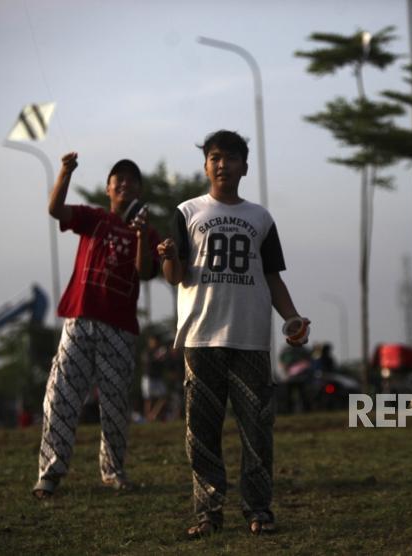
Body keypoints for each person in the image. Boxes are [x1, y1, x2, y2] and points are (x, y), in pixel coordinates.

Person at [158, 130, 309, 538]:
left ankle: (259, 509)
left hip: (250, 339)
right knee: (201, 432)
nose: (221, 164)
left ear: (245, 165)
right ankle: (208, 512)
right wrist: (170, 258)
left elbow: (271, 276)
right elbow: (175, 277)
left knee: (257, 428)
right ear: (206, 165)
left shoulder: (261, 218)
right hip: (201, 337)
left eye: (230, 157)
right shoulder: (188, 211)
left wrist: (292, 317)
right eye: (214, 157)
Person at [32, 152, 160, 498]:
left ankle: (113, 470)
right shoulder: (95, 218)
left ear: (139, 190)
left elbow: (145, 272)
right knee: (61, 394)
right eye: (119, 179)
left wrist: (141, 235)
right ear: (108, 189)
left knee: (116, 401)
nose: (125, 183)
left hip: (118, 326)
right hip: (80, 318)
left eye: (132, 180)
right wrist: (65, 172)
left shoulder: (147, 232)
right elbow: (56, 210)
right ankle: (51, 472)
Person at [140, 334, 170, 422]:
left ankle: (153, 415)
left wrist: (162, 359)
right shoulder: (147, 352)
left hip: (158, 378)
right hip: (148, 377)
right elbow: (147, 362)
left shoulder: (161, 351)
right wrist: (156, 358)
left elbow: (164, 364)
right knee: (148, 399)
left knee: (164, 396)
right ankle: (147, 418)